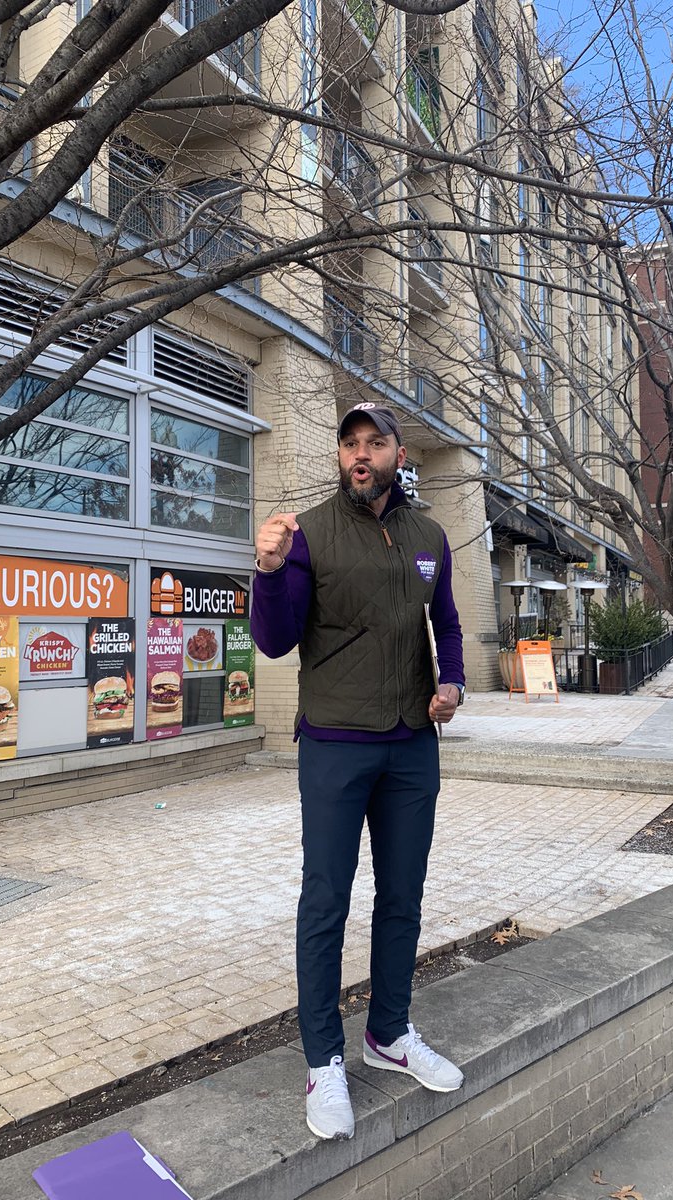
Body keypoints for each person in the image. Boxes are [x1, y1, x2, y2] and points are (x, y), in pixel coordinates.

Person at [252, 402, 466, 1141]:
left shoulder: (429, 536)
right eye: (350, 444)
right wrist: (271, 571)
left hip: (412, 742)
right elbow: (277, 641)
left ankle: (390, 1033)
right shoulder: (309, 533)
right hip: (336, 742)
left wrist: (456, 684)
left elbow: (447, 621)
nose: (361, 454)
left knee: (402, 894)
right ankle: (323, 1061)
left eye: (375, 443)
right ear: (340, 455)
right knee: (326, 901)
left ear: (400, 454)